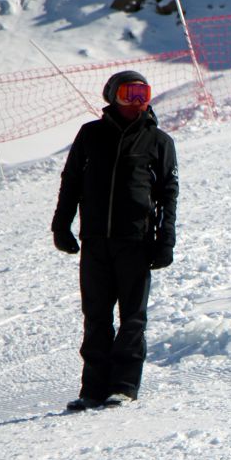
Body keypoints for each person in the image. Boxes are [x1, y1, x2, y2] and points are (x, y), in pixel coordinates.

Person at [52, 70, 178, 411]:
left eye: (142, 94)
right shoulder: (90, 135)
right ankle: (93, 389)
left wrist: (165, 240)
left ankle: (123, 385)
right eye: (128, 94)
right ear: (112, 96)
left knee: (132, 317)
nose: (136, 102)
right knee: (96, 315)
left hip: (135, 241)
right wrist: (61, 226)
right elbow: (71, 181)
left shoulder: (158, 141)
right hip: (95, 241)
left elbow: (168, 194)